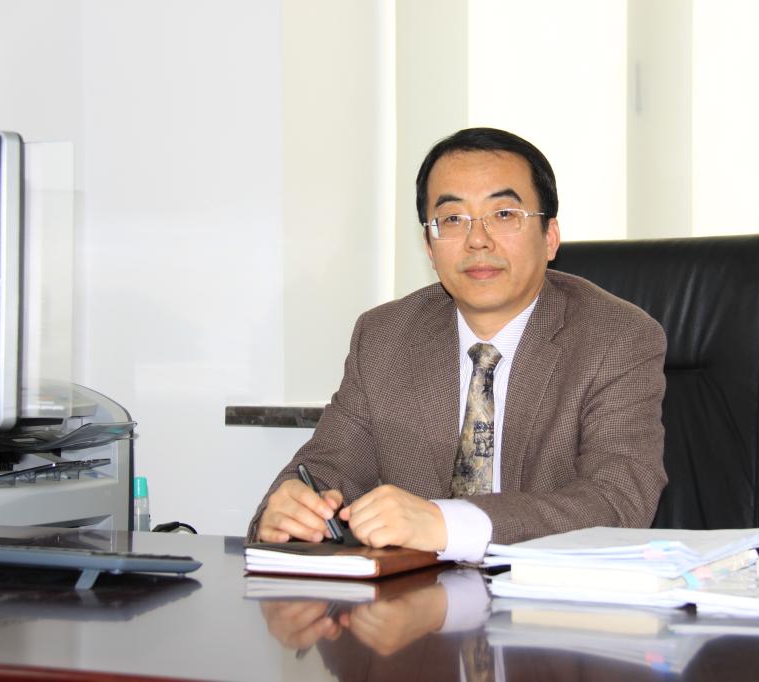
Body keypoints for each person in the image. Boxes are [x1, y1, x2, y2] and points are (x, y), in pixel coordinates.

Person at [248, 127, 666, 561]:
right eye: (452, 219)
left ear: (550, 237)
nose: (477, 240)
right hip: (414, 597)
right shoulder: (384, 337)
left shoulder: (616, 337)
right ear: (429, 247)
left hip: (551, 597)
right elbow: (325, 471)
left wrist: (448, 524)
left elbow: (617, 502)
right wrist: (289, 512)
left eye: (503, 214)